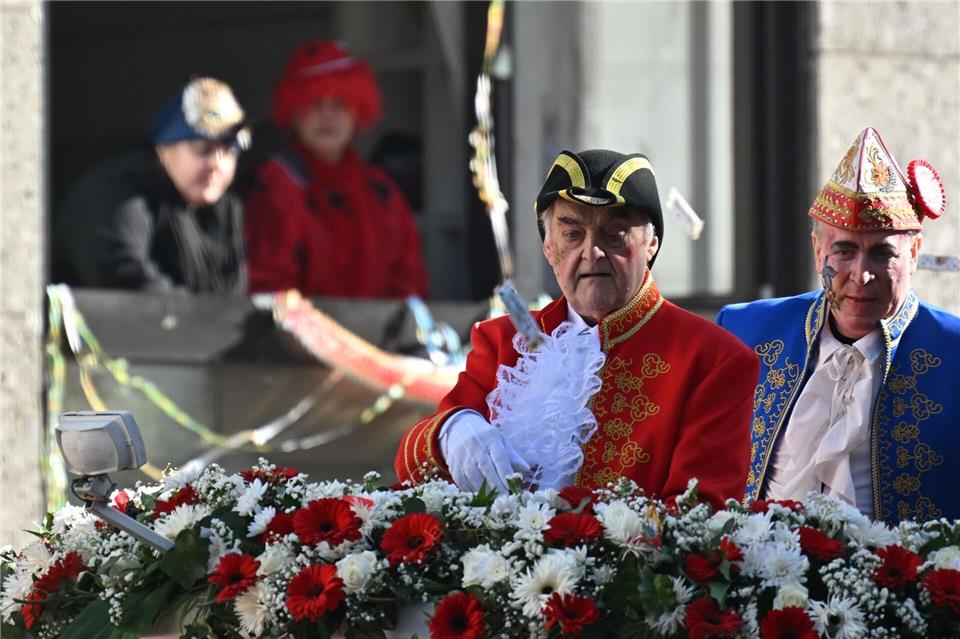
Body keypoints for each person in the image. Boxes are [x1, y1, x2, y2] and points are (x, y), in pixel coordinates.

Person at [395, 149, 759, 509]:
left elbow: (699, 517)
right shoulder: (502, 340)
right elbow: (411, 472)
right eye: (572, 234)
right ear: (548, 246)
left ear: (651, 244)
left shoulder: (713, 359)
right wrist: (450, 429)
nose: (591, 252)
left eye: (614, 234)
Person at [717, 127, 959, 524]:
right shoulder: (744, 330)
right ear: (818, 251)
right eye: (843, 251)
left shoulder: (955, 350)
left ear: (914, 253)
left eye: (882, 254)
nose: (861, 275)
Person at [244, 40, 428, 298]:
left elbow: (409, 285)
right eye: (314, 104)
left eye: (340, 104)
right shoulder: (275, 184)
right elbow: (270, 284)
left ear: (357, 112)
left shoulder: (382, 191)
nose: (327, 116)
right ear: (294, 113)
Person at [54, 77, 250, 294]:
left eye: (229, 151)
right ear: (163, 148)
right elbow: (128, 284)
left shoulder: (225, 208)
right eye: (203, 149)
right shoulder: (116, 192)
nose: (217, 164)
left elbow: (231, 297)